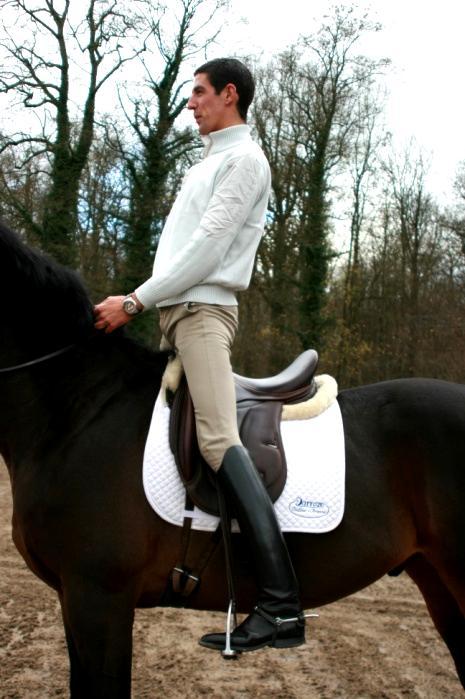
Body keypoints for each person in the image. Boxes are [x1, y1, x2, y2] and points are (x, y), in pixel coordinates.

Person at [94, 57, 305, 653]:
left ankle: (282, 606)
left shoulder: (244, 161)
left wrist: (134, 302)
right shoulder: (210, 163)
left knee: (216, 438)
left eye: (200, 93)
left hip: (202, 316)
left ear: (229, 95)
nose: (191, 103)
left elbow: (210, 249)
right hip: (179, 317)